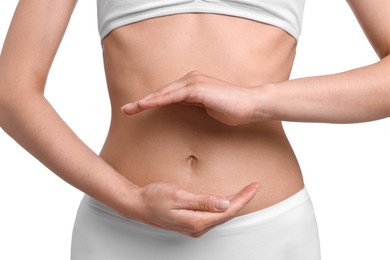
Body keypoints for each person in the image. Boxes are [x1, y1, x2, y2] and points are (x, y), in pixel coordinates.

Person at [0, 0, 389, 259]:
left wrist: (258, 100)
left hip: (267, 232)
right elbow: (10, 92)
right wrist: (128, 199)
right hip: (119, 228)